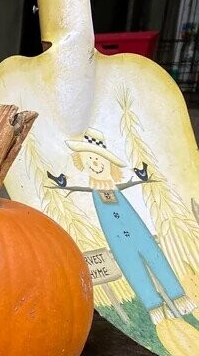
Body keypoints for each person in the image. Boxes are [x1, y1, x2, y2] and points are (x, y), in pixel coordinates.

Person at [48, 127, 198, 325]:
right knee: (131, 266)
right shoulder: (94, 191)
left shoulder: (116, 188)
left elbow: (133, 182)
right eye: (90, 160)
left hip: (136, 229)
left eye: (99, 160)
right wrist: (62, 183)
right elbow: (75, 187)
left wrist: (142, 176)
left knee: (155, 256)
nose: (95, 163)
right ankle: (154, 307)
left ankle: (179, 297)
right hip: (116, 236)